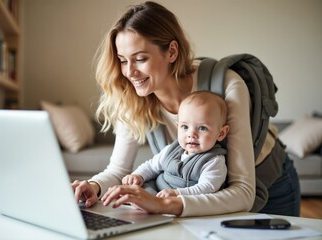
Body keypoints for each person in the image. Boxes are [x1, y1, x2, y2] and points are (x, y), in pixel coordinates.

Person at [72, 1, 300, 217]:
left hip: (269, 183)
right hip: (199, 191)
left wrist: (165, 203)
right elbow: (120, 170)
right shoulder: (132, 97)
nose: (129, 72)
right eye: (122, 60)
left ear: (172, 51)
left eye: (140, 59)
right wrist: (95, 186)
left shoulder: (227, 84)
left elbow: (243, 191)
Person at [122, 90, 229, 198]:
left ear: (221, 133)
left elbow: (208, 187)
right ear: (178, 127)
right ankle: (136, 197)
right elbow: (151, 166)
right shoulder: (171, 150)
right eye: (185, 127)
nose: (191, 134)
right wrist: (138, 175)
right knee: (139, 187)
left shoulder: (213, 161)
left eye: (202, 128)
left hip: (181, 198)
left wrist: (177, 193)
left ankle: (142, 200)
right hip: (157, 189)